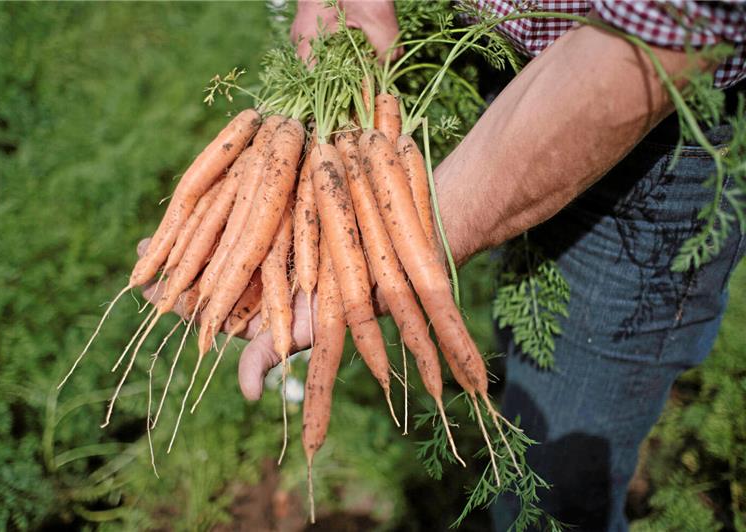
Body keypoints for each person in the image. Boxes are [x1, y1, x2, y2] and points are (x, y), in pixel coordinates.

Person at [143, 1, 744, 529]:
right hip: (486, 42)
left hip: (657, 115)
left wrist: (409, 241)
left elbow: (666, 32)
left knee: (558, 476)